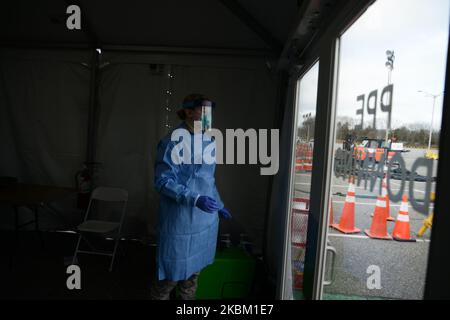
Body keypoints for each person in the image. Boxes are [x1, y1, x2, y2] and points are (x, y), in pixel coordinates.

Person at [150, 93, 232, 300]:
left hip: (204, 222)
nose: (208, 118)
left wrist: (218, 204)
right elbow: (163, 181)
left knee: (192, 277)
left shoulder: (207, 140)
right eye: (203, 112)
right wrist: (194, 199)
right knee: (169, 278)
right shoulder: (173, 142)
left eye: (210, 114)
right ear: (187, 112)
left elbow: (208, 180)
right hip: (180, 222)